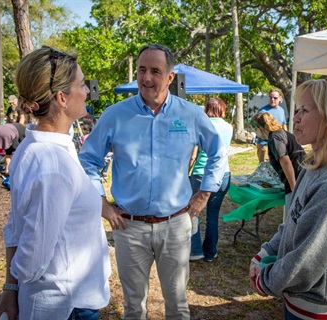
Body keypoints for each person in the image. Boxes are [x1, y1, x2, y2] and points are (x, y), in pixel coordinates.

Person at [79, 43, 227, 319]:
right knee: (134, 307)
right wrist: (102, 204)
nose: (146, 78)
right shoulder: (115, 115)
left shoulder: (190, 114)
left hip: (175, 225)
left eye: (155, 71)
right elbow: (88, 159)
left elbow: (218, 151)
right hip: (129, 226)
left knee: (178, 304)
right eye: (141, 70)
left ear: (170, 77)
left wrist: (205, 193)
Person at [0, 46, 111, 320]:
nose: (87, 90)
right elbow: (33, 258)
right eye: (81, 84)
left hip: (66, 300)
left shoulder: (35, 146)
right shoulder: (52, 164)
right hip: (66, 306)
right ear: (62, 98)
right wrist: (15, 285)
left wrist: (10, 287)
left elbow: (15, 226)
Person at [249, 74, 327, 320]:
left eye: (304, 110)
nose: (295, 117)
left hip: (323, 312)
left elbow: (306, 260)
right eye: (296, 109)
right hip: (302, 305)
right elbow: (293, 224)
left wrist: (266, 281)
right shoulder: (314, 166)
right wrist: (265, 253)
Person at [188, 97, 233, 262]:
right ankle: (210, 251)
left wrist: (186, 171)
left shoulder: (201, 125)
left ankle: (195, 249)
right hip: (224, 174)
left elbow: (194, 154)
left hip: (201, 173)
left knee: (193, 211)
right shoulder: (229, 127)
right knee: (213, 215)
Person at [250, 112, 304, 207]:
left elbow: (286, 162)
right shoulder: (280, 133)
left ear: (260, 129)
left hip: (298, 180)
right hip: (301, 177)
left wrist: (293, 188)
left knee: (292, 217)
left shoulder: (274, 137)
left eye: (255, 130)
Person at [255, 89, 287, 163]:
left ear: (280, 98)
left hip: (278, 144)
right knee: (264, 167)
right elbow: (256, 126)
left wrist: (286, 139)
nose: (272, 100)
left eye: (275, 98)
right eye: (270, 97)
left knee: (277, 166)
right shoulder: (262, 111)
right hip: (264, 145)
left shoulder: (281, 110)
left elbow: (283, 125)